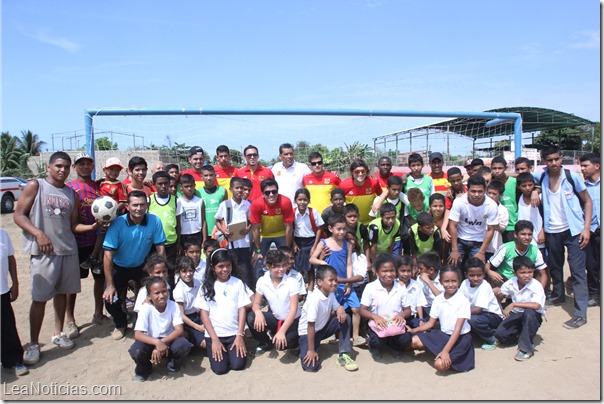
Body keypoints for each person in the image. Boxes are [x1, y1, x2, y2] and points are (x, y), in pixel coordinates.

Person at [14, 151, 101, 365]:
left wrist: (92, 226)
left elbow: (72, 225)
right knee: (40, 298)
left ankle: (58, 333)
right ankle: (34, 344)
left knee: (62, 294)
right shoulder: (36, 186)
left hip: (67, 250)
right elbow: (18, 215)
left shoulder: (71, 194)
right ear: (49, 167)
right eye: (58, 166)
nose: (62, 170)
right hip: (44, 252)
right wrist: (38, 233)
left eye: (66, 167)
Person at [102, 190, 167, 340]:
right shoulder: (117, 223)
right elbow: (108, 255)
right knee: (110, 299)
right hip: (119, 266)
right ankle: (120, 323)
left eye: (142, 205)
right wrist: (110, 284)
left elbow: (160, 249)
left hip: (141, 266)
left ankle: (141, 321)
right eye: (135, 205)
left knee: (156, 292)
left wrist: (161, 273)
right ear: (127, 206)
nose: (139, 208)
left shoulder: (154, 221)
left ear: (147, 205)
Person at [539, 145, 592, 329]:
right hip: (552, 231)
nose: (554, 163)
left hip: (574, 230)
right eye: (550, 160)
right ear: (544, 161)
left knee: (577, 272)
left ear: (562, 158)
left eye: (557, 159)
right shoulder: (542, 177)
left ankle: (580, 313)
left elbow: (588, 200)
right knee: (555, 267)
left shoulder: (572, 177)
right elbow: (522, 178)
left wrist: (586, 228)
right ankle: (558, 295)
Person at [407, 265, 475, 372]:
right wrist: (413, 330)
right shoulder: (438, 299)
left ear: (459, 281)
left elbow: (457, 330)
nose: (450, 284)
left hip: (460, 338)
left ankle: (445, 352)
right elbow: (430, 323)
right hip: (443, 335)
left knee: (439, 365)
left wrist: (445, 351)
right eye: (446, 281)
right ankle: (437, 349)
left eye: (454, 281)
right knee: (412, 342)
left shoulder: (463, 301)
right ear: (441, 281)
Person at [194, 248, 250, 375]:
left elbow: (242, 309)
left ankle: (232, 352)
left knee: (238, 365)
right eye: (220, 266)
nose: (225, 269)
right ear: (213, 268)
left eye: (228, 265)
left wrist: (240, 335)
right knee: (220, 369)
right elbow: (204, 314)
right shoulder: (206, 287)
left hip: (233, 334)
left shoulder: (238, 283)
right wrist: (214, 340)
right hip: (214, 335)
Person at [67, 152, 105, 335]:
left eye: (88, 163)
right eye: (81, 163)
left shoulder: (98, 187)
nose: (85, 166)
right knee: (72, 284)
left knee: (100, 279)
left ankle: (98, 313)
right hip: (77, 242)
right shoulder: (69, 188)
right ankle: (70, 320)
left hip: (97, 242)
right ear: (74, 167)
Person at [129, 277, 193, 381]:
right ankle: (144, 369)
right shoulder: (145, 308)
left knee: (183, 345)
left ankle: (172, 363)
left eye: (164, 291)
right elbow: (138, 334)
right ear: (149, 295)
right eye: (157, 293)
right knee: (136, 350)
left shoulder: (174, 306)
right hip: (150, 340)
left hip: (169, 339)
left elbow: (179, 330)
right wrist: (156, 342)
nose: (161, 296)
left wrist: (161, 342)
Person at [297, 265, 358, 372]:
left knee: (346, 317)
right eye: (331, 280)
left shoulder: (330, 293)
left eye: (335, 280)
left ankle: (344, 354)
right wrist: (311, 350)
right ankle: (308, 347)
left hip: (322, 329)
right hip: (308, 333)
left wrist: (340, 307)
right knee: (310, 367)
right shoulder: (314, 300)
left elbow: (336, 306)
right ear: (320, 282)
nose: (334, 283)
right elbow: (310, 326)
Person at [247, 250, 300, 356]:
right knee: (251, 317)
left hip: (293, 320)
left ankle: (296, 340)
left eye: (283, 265)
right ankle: (265, 342)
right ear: (268, 267)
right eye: (277, 266)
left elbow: (293, 310)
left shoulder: (291, 282)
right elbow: (256, 303)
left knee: (284, 345)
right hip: (276, 318)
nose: (281, 269)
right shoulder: (262, 281)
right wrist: (258, 313)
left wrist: (282, 331)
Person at [360, 254, 412, 360]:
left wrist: (401, 315)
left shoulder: (401, 288)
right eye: (384, 271)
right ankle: (375, 347)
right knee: (376, 340)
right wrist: (375, 317)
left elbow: (408, 310)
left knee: (406, 339)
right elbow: (362, 310)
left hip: (394, 324)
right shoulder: (370, 288)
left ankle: (395, 347)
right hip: (378, 324)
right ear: (377, 272)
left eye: (392, 270)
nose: (389, 274)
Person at [493, 256, 545, 361]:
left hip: (532, 316)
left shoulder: (536, 285)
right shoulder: (511, 283)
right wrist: (497, 293)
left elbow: (537, 305)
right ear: (514, 273)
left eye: (530, 272)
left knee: (529, 312)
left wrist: (514, 304)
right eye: (523, 273)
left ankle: (526, 348)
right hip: (516, 315)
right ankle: (523, 335)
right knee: (500, 335)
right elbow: (503, 294)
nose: (527, 275)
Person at [448, 175, 499, 268]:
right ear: (467, 189)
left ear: (485, 190)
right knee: (453, 268)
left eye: (480, 191)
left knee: (476, 270)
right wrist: (454, 250)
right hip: (460, 240)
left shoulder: (491, 205)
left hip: (479, 242)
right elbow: (453, 225)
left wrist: (482, 252)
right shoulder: (459, 202)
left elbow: (491, 229)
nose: (476, 195)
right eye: (473, 191)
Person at [214, 176, 253, 289]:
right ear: (231, 189)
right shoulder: (225, 205)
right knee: (233, 269)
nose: (240, 190)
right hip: (231, 244)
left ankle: (247, 294)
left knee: (245, 270)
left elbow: (251, 221)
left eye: (241, 188)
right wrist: (223, 230)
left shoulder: (247, 205)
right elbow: (217, 220)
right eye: (237, 188)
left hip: (244, 243)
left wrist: (248, 228)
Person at [486, 220, 548, 290]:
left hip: (525, 280)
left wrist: (540, 292)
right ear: (515, 234)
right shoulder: (506, 248)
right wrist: (489, 272)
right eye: (523, 234)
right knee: (496, 285)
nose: (527, 237)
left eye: (530, 234)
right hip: (506, 280)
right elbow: (487, 265)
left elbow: (543, 274)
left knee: (538, 275)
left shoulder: (535, 250)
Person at [0, 229, 29, 376]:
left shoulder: (3, 234)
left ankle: (13, 360)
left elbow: (11, 258)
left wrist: (15, 283)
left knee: (7, 326)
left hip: (2, 290)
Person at [459, 257, 503, 350]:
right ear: (466, 275)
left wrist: (460, 313)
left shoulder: (484, 286)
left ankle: (492, 338)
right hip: (476, 314)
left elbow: (478, 310)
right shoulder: (464, 283)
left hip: (492, 316)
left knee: (473, 320)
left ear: (484, 275)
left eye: (479, 275)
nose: (476, 278)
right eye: (472, 275)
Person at [250, 178, 294, 268]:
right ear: (263, 194)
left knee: (288, 260)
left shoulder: (285, 202)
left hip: (281, 233)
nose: (271, 195)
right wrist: (258, 251)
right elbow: (255, 230)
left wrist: (287, 250)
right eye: (267, 192)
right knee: (258, 261)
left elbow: (289, 228)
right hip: (264, 235)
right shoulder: (256, 204)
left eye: (274, 192)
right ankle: (260, 280)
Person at [579, 152, 600, 307]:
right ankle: (594, 294)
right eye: (581, 166)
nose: (583, 169)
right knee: (591, 266)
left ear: (597, 166)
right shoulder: (582, 188)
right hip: (591, 233)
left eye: (586, 165)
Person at [149, 170, 179, 275]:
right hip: (153, 245)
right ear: (154, 185)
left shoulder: (176, 200)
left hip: (170, 243)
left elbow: (178, 223)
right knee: (154, 273)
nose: (163, 186)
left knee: (169, 273)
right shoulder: (149, 201)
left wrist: (178, 243)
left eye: (166, 183)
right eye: (160, 184)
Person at [172, 256, 205, 350]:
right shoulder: (179, 290)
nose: (188, 274)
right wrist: (197, 327)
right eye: (184, 271)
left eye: (190, 270)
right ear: (179, 272)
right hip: (188, 320)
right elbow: (181, 315)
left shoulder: (198, 283)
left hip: (200, 314)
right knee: (205, 342)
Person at [293, 188, 324, 284]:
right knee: (297, 266)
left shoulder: (313, 212)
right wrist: (293, 243)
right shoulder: (292, 212)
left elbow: (319, 228)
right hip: (297, 241)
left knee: (309, 267)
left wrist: (314, 246)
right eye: (300, 200)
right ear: (295, 200)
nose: (302, 202)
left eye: (305, 200)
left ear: (309, 201)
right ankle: (299, 289)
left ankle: (310, 291)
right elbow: (289, 228)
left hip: (310, 241)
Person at [340, 159, 383, 225]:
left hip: (370, 222)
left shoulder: (374, 183)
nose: (360, 174)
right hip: (351, 224)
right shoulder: (344, 185)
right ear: (352, 172)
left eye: (363, 171)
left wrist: (378, 203)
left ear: (366, 172)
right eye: (357, 172)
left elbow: (382, 195)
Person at [516, 173, 546, 254]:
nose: (528, 188)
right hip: (523, 240)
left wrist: (543, 231)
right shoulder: (518, 197)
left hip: (539, 239)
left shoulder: (540, 197)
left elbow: (548, 216)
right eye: (524, 186)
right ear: (519, 187)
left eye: (530, 185)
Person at [490, 156, 518, 242]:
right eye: (494, 168)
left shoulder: (514, 182)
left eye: (500, 168)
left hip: (512, 225)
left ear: (506, 168)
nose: (497, 171)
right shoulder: (490, 183)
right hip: (496, 226)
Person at [396, 255, 427, 329]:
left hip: (412, 318)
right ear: (397, 271)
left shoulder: (416, 285)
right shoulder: (394, 284)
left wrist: (421, 319)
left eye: (408, 271)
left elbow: (419, 304)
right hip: (397, 317)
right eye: (403, 271)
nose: (406, 274)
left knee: (424, 329)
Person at [176, 173, 207, 249]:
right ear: (181, 187)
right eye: (186, 186)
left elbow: (203, 221)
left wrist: (204, 239)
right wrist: (178, 242)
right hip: (184, 235)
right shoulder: (178, 202)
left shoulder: (200, 201)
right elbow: (178, 223)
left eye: (191, 186)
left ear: (194, 186)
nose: (189, 189)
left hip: (197, 234)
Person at [198, 165, 227, 238]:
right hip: (204, 232)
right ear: (201, 177)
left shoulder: (222, 190)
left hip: (219, 230)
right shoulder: (197, 192)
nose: (209, 178)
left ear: (215, 176)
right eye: (206, 175)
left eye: (211, 175)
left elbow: (225, 212)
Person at [485, 180, 510, 261]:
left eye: (494, 194)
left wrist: (496, 226)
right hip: (479, 245)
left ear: (501, 195)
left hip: (494, 246)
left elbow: (503, 229)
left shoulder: (503, 210)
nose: (491, 196)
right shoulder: (481, 206)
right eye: (489, 193)